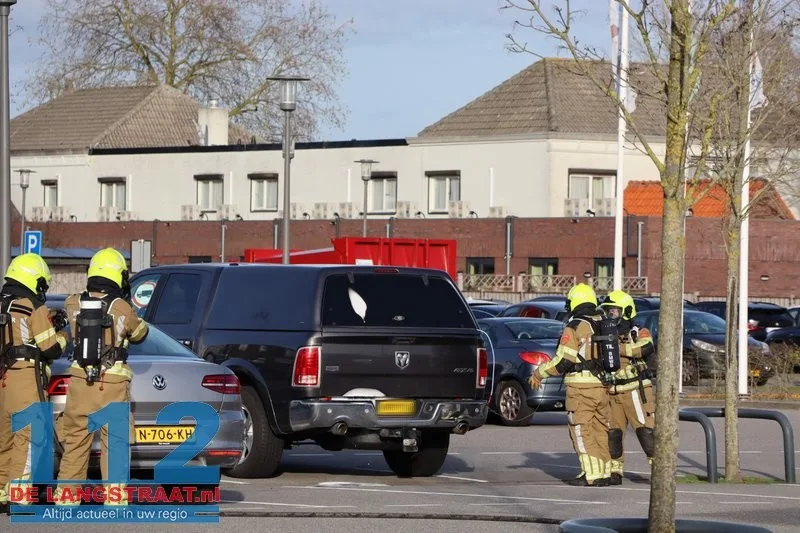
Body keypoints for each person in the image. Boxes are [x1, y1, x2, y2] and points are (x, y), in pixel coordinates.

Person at [54, 248, 148, 506]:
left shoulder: (72, 302)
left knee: (75, 441)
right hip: (112, 383)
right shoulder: (121, 307)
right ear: (118, 276)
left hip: (79, 381)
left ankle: (67, 499)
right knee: (115, 442)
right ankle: (115, 500)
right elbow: (140, 333)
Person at [0, 253, 69, 510]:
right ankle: (19, 495)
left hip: (3, 378)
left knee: (3, 438)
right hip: (25, 379)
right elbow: (50, 347)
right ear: (33, 280)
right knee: (26, 439)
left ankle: (1, 493)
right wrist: (62, 334)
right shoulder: (32, 306)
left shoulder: (3, 304)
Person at [529, 283, 612, 487]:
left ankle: (591, 475)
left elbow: (564, 360)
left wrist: (540, 372)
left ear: (574, 302)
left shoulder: (575, 325)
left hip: (581, 388)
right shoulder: (603, 322)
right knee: (600, 430)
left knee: (581, 430)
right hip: (602, 386)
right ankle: (605, 473)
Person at [599, 290, 655, 485]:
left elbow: (644, 348)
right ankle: (616, 471)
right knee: (613, 433)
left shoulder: (638, 331)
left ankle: (658, 469)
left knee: (645, 431)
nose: (610, 315)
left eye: (614, 310)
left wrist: (616, 348)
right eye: (608, 311)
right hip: (613, 390)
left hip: (635, 390)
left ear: (626, 311)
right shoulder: (604, 334)